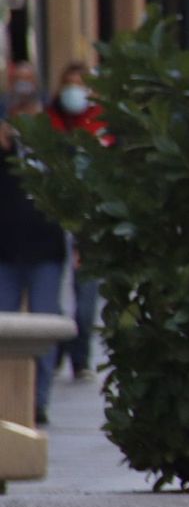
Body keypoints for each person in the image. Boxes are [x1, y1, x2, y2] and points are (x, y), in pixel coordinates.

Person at [0, 87, 68, 425]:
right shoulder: (4, 154)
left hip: (45, 254)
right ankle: (6, 402)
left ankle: (38, 402)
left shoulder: (56, 153)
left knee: (43, 328)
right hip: (5, 255)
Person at [47, 62, 110, 379]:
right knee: (50, 297)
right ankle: (54, 351)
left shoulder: (101, 126)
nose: (75, 91)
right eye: (69, 83)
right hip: (50, 225)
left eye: (81, 84)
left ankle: (79, 356)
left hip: (88, 224)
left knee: (85, 300)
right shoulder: (49, 123)